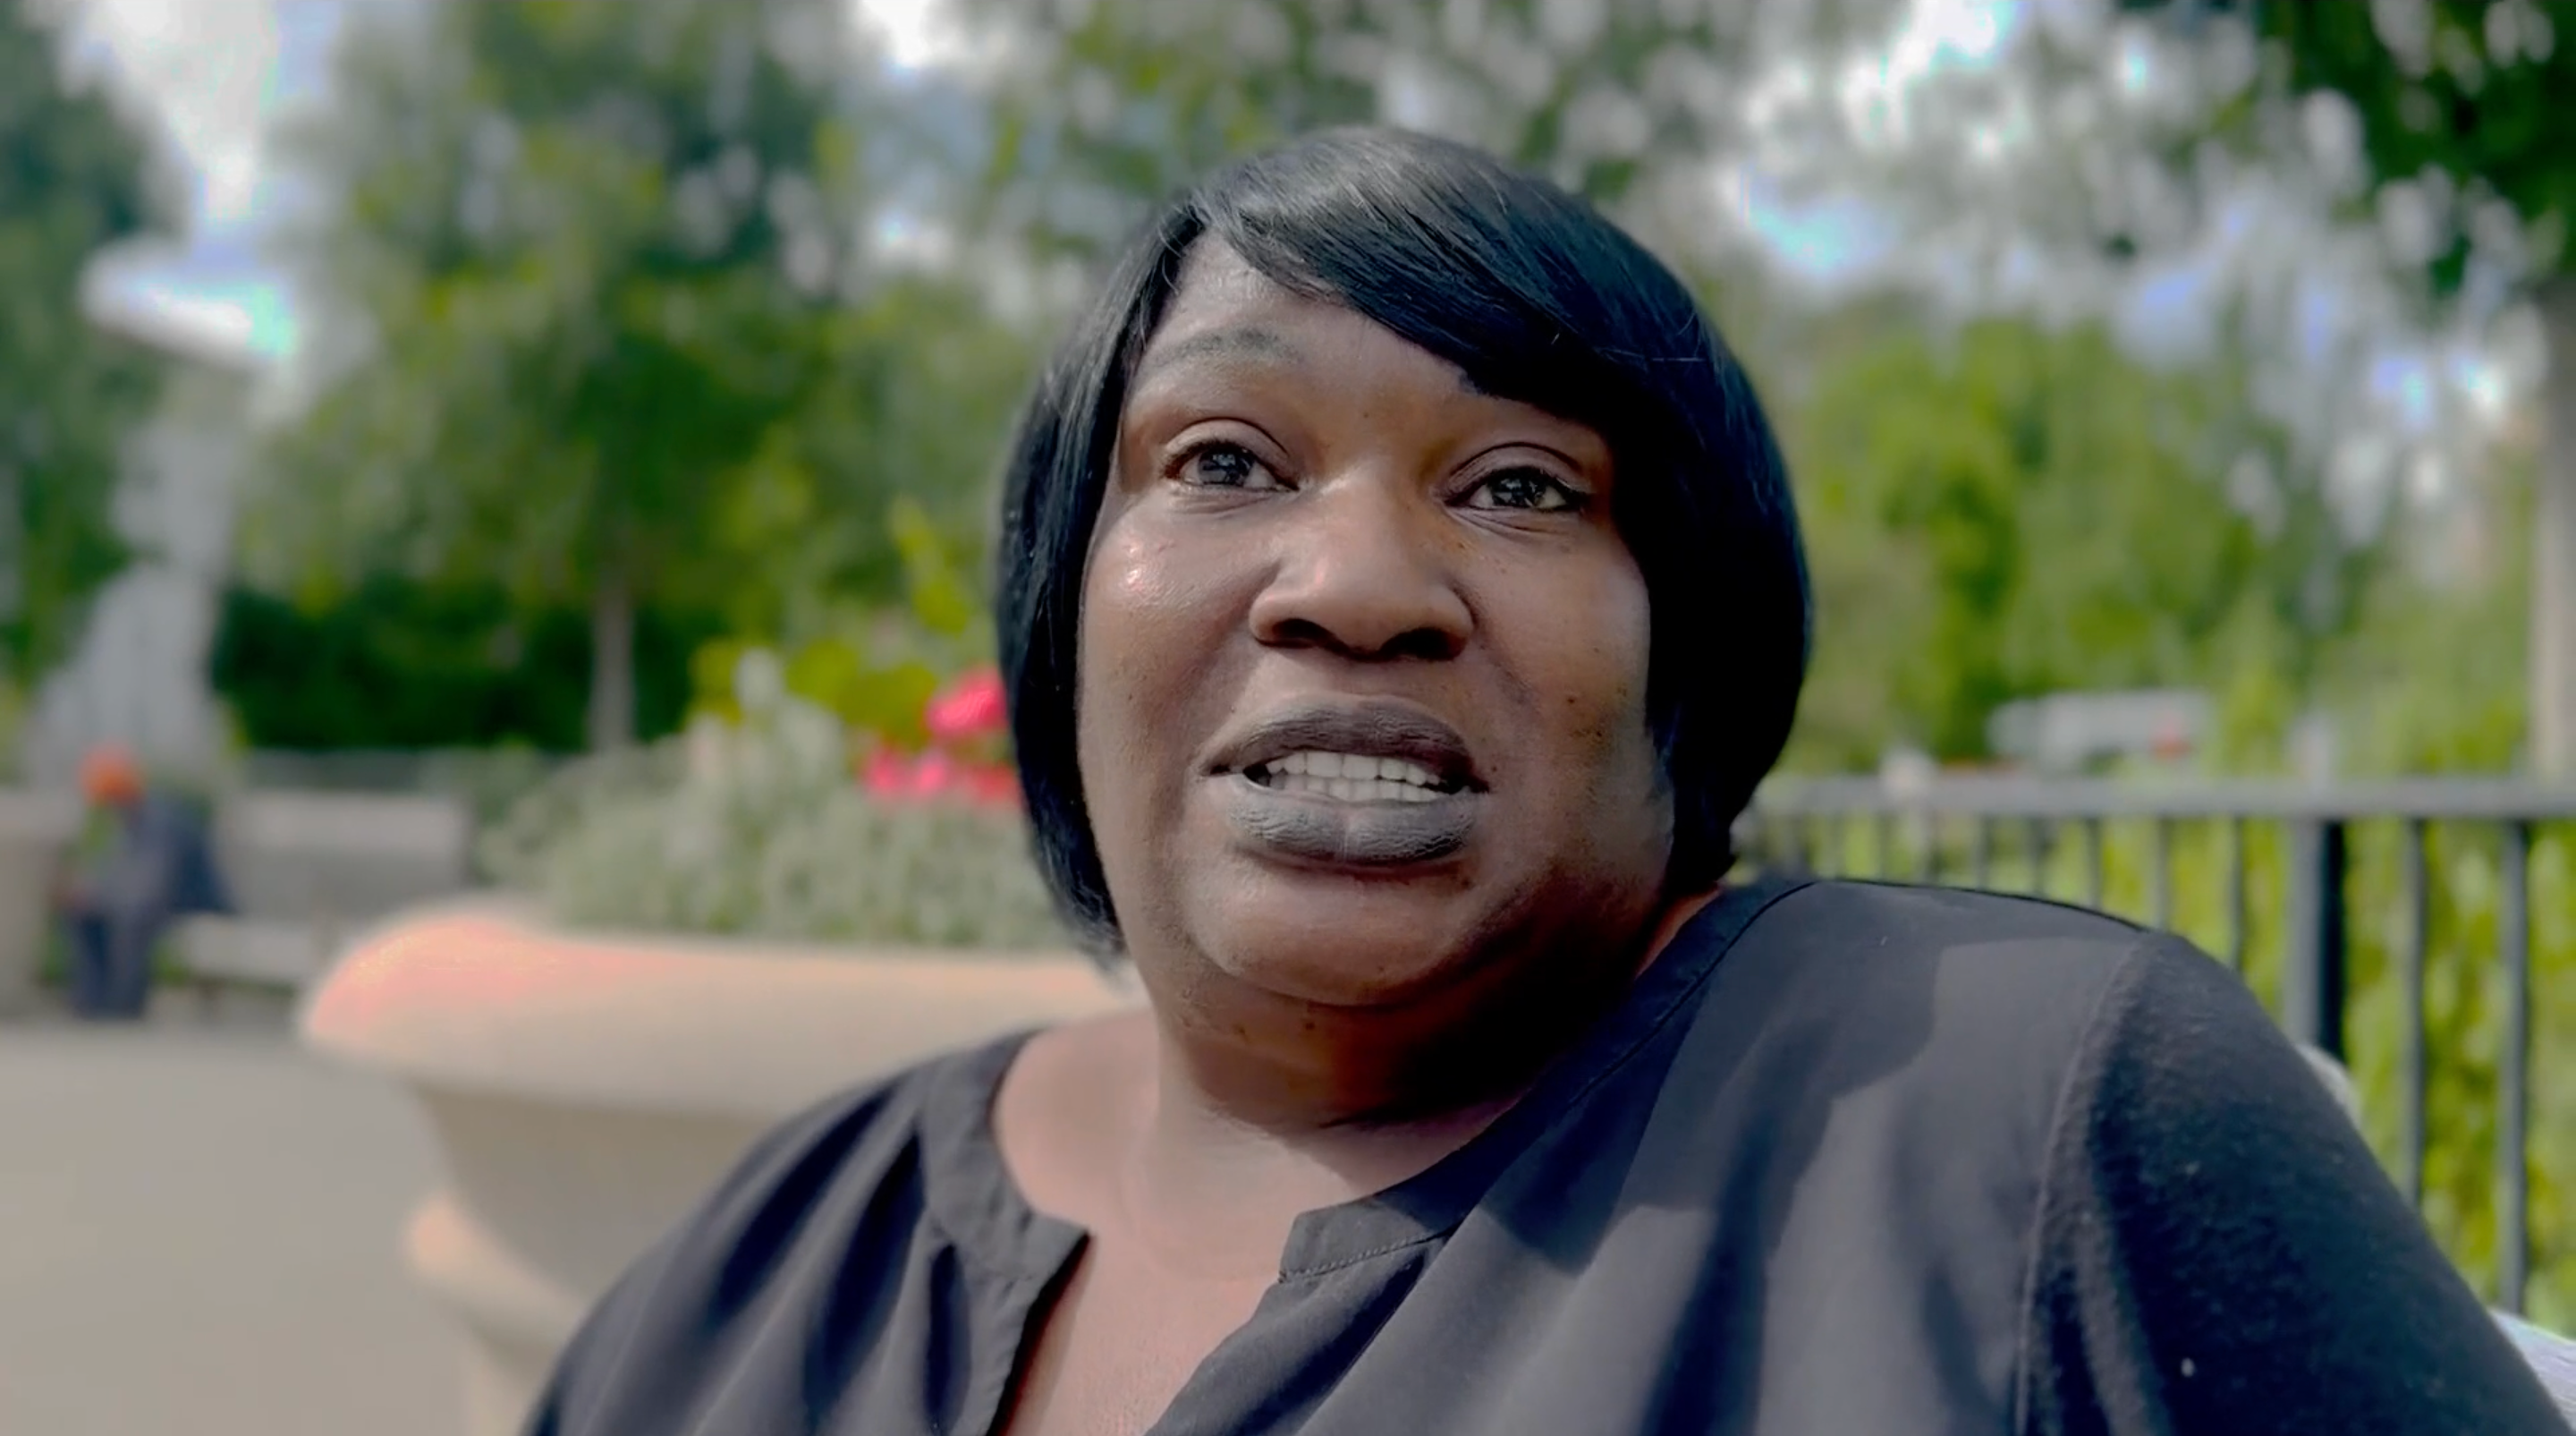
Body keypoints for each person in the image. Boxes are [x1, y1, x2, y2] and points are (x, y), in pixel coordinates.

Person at [527, 130, 2566, 1434]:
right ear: (1062, 605)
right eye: (1223, 460)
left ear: (1687, 646)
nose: (1355, 587)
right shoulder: (795, 1248)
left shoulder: (2014, 1125)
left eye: (1518, 488)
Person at [49, 744, 233, 1021]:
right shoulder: (128, 821)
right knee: (84, 914)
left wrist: (109, 897)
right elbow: (118, 873)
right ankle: (90, 1003)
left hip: (196, 902)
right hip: (157, 902)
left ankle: (124, 1009)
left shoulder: (162, 820)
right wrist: (91, 894)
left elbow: (156, 882)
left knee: (133, 920)